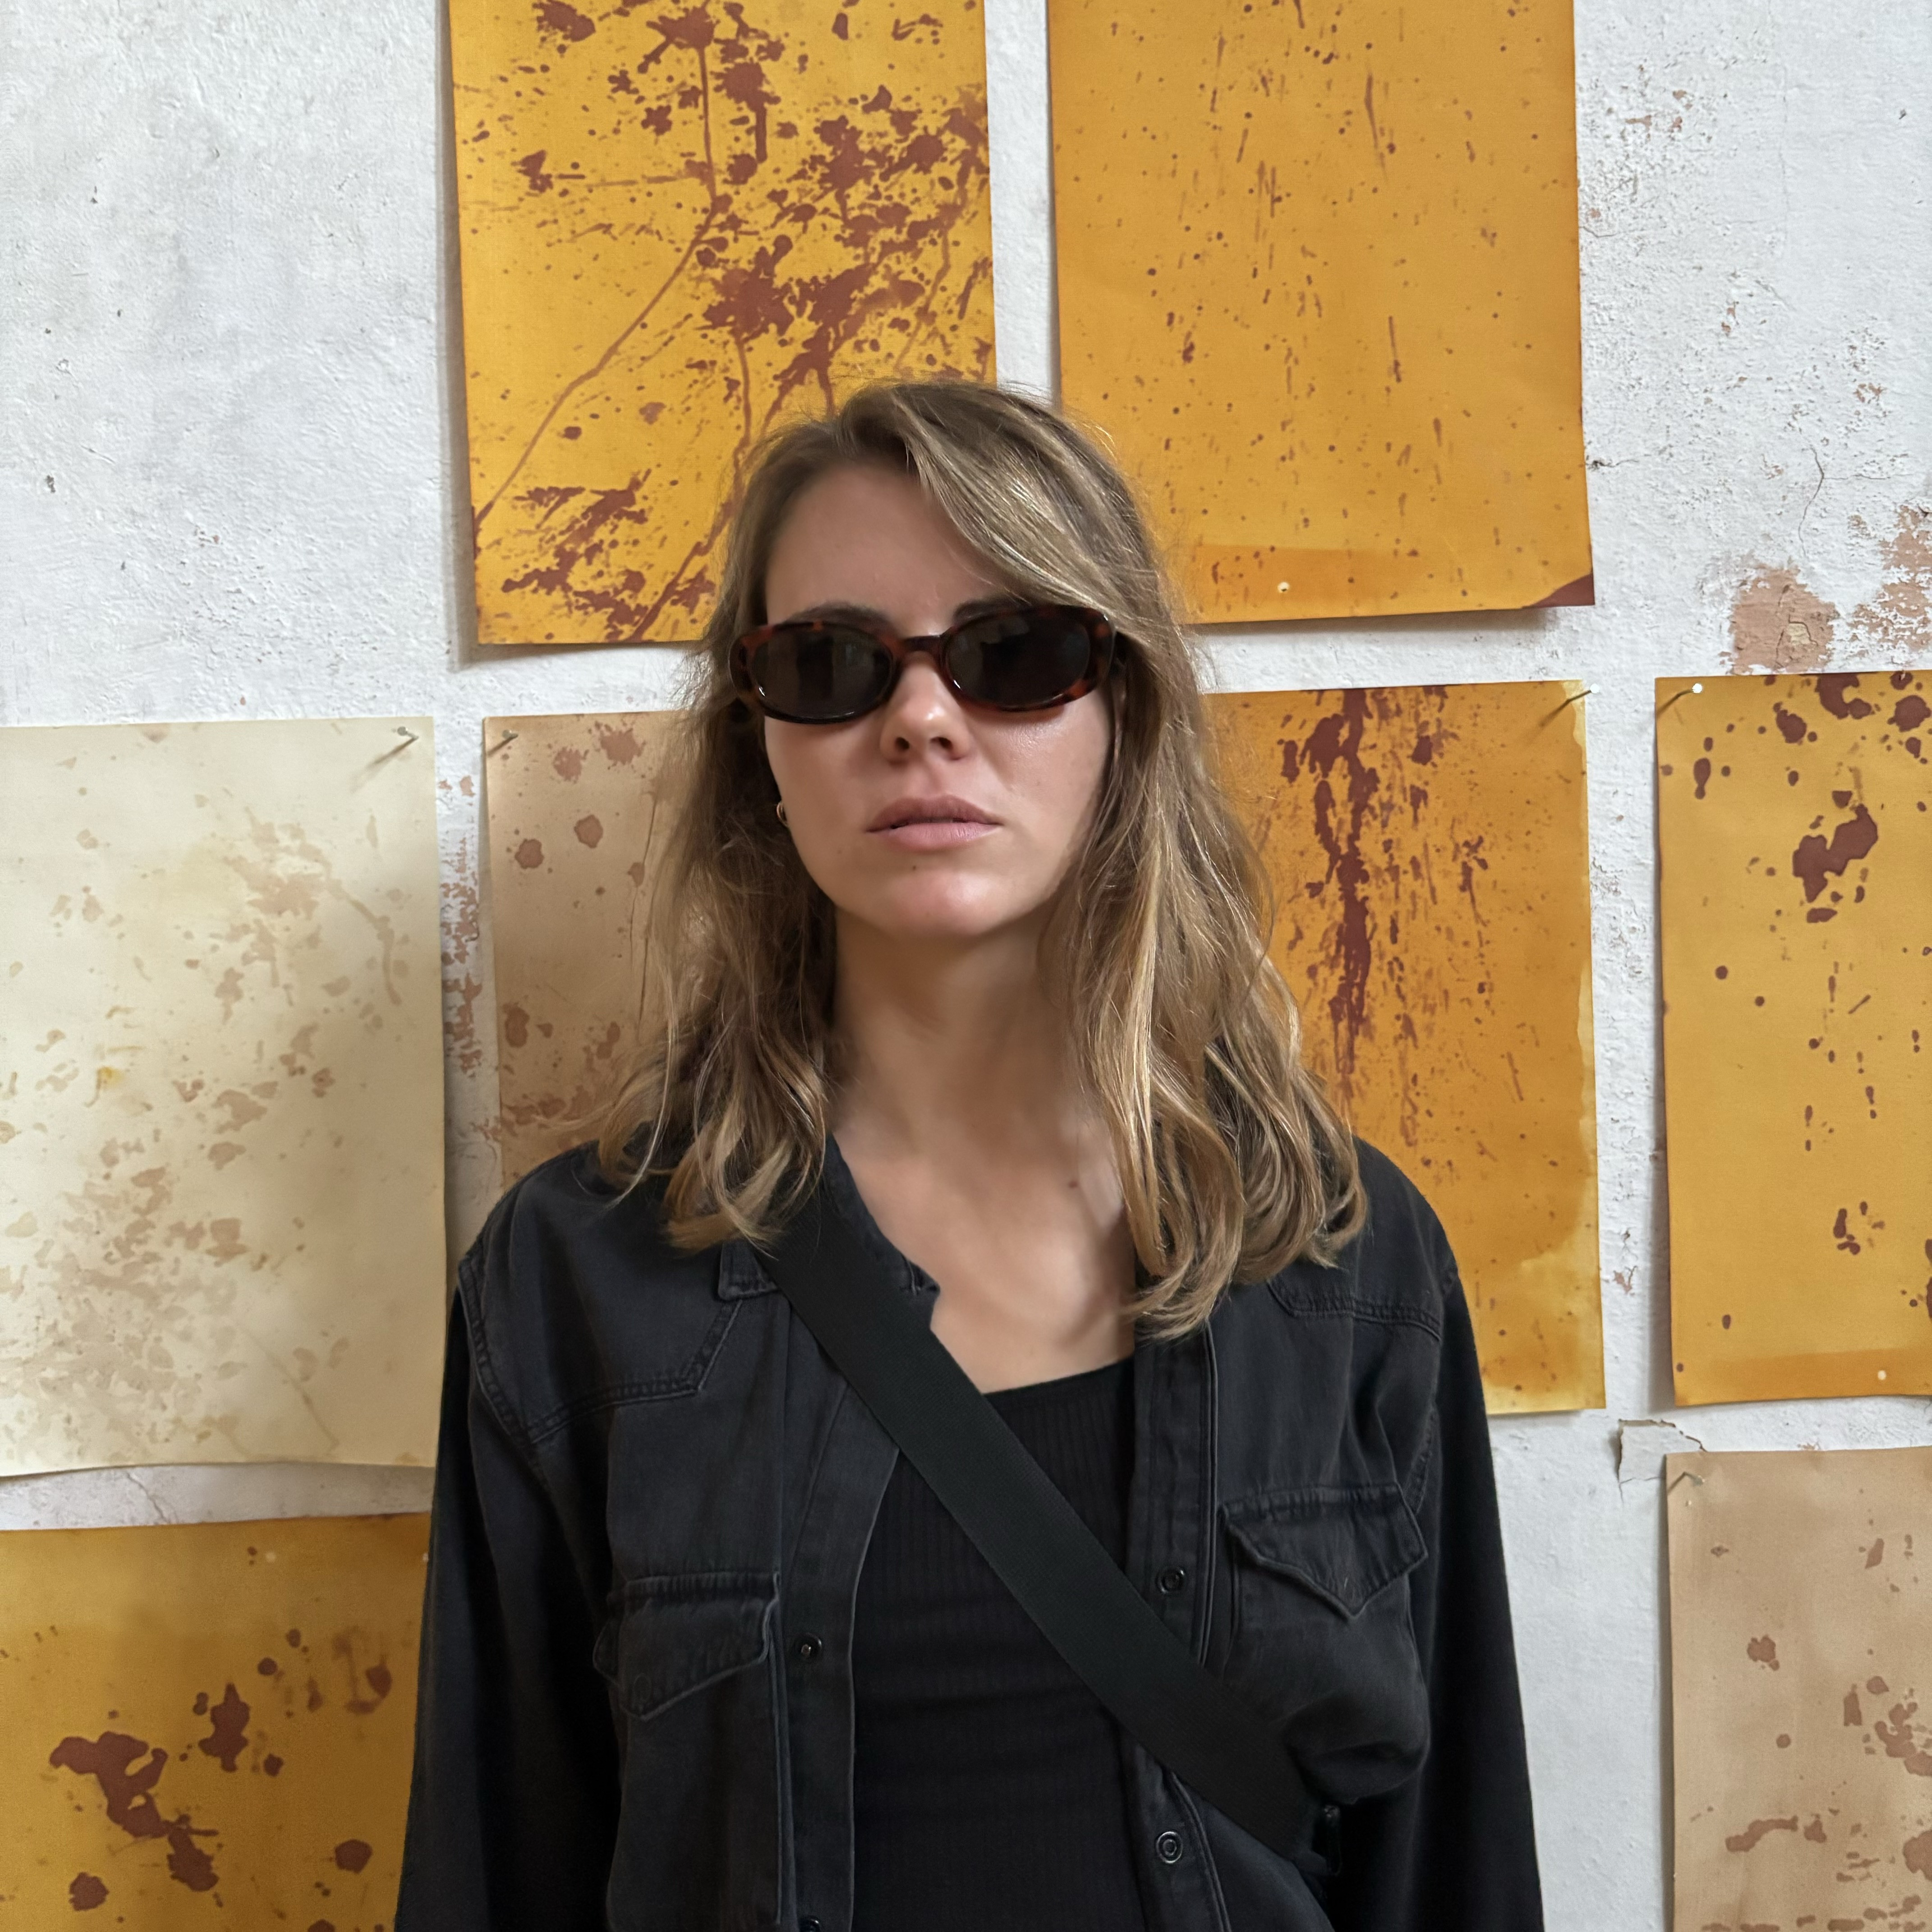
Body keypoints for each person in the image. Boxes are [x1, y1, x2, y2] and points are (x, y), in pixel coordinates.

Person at [397, 380, 1543, 1932]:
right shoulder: (578, 1277)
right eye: (832, 663)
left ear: (1122, 711)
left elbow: (1453, 1867)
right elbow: (494, 1876)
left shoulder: (1338, 1254)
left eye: (1013, 654)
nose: (921, 719)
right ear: (757, 743)